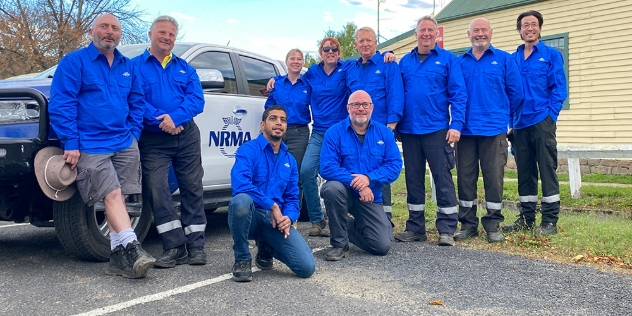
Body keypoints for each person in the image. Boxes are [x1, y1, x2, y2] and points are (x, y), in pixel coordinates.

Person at [48, 14, 155, 278]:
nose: (109, 32)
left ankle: (117, 258)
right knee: (112, 194)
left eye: (115, 28)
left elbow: (137, 101)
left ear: (120, 34)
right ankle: (133, 248)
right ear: (91, 31)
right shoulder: (74, 62)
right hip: (90, 144)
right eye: (104, 27)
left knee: (121, 195)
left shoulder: (127, 65)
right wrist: (70, 142)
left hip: (124, 141)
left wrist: (134, 134)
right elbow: (62, 103)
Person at [266, 40, 395, 238]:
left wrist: (387, 52)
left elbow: (367, 56)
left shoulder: (348, 67)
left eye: (334, 49)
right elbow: (293, 79)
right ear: (320, 53)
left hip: (343, 132)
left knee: (354, 170)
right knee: (307, 171)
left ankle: (367, 216)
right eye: (326, 49)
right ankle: (318, 220)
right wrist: (275, 79)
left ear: (339, 52)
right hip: (319, 131)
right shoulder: (311, 74)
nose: (330, 52)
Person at [131, 15, 207, 267]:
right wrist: (162, 121)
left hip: (185, 134)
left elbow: (196, 100)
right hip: (154, 138)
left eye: (172, 34)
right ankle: (174, 246)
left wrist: (174, 118)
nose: (166, 37)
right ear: (150, 35)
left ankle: (196, 246)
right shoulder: (134, 67)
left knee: (192, 187)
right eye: (162, 32)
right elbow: (135, 101)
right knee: (156, 187)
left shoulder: (186, 67)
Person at [393, 15, 467, 246]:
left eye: (430, 31)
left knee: (442, 178)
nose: (426, 34)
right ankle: (416, 228)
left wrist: (456, 125)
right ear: (415, 35)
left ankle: (446, 228)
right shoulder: (404, 62)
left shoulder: (447, 60)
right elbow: (396, 94)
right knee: (413, 179)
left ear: (436, 34)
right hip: (410, 131)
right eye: (422, 30)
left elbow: (459, 94)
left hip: (437, 130)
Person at [454, 18, 524, 243]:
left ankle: (493, 224)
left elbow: (517, 94)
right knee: (465, 179)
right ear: (469, 35)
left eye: (484, 30)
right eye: (476, 31)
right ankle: (468, 225)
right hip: (464, 132)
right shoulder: (459, 62)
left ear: (491, 33)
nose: (480, 34)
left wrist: (506, 120)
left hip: (493, 131)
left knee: (494, 179)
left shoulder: (503, 59)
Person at [227, 105, 316, 282]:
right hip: (252, 216)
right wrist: (272, 205)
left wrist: (288, 218)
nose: (278, 123)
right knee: (240, 202)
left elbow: (292, 197)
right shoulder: (248, 150)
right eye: (273, 118)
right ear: (262, 125)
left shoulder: (289, 160)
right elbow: (241, 184)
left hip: (274, 221)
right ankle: (242, 258)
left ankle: (266, 246)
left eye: (283, 120)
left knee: (306, 267)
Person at [503, 10, 567, 235]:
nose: (529, 28)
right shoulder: (512, 59)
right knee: (525, 172)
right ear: (519, 30)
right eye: (525, 25)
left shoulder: (551, 55)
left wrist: (551, 116)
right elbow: (508, 93)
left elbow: (559, 89)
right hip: (519, 125)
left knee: (547, 170)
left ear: (539, 28)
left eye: (533, 24)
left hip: (542, 121)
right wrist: (510, 122)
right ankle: (526, 218)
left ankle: (549, 221)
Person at [320, 90, 402, 261]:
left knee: (381, 246)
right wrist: (357, 182)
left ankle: (343, 224)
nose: (361, 109)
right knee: (332, 188)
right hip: (345, 193)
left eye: (365, 104)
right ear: (348, 108)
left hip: (371, 198)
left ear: (372, 108)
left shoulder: (384, 133)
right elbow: (327, 167)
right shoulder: (334, 132)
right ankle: (339, 244)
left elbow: (394, 166)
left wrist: (369, 178)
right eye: (356, 105)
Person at [344, 27, 404, 222]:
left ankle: (385, 216)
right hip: (355, 128)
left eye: (369, 40)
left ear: (376, 42)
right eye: (361, 41)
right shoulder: (350, 68)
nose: (365, 44)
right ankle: (360, 213)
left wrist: (391, 126)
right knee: (358, 168)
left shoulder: (388, 64)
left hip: (381, 128)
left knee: (382, 169)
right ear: (356, 45)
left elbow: (395, 95)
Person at [264, 48, 311, 224]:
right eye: (293, 58)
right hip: (278, 132)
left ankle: (291, 218)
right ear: (286, 62)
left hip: (299, 133)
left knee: (295, 174)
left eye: (300, 59)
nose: (296, 61)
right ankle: (272, 215)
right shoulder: (277, 84)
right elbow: (268, 108)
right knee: (273, 172)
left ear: (303, 63)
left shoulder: (308, 84)